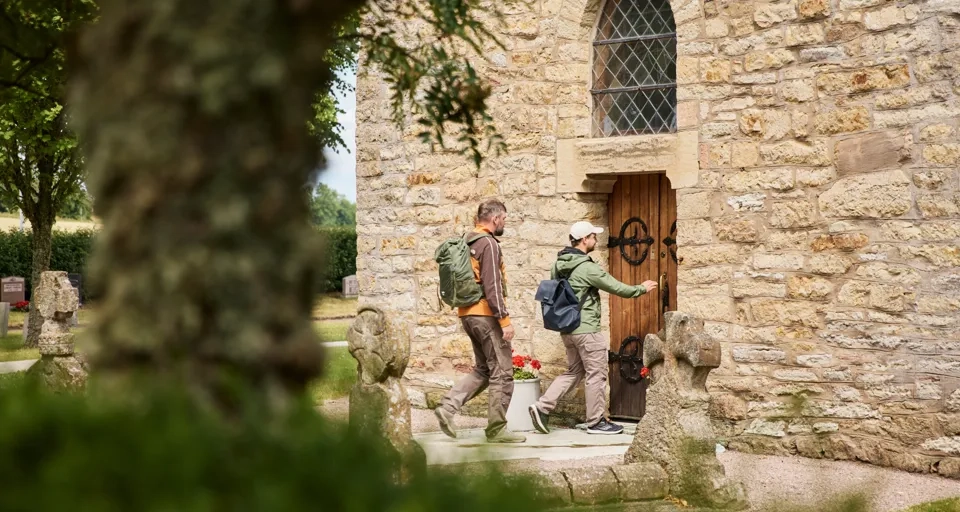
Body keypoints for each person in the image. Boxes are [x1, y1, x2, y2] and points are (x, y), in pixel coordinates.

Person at [528, 221, 657, 435]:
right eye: (593, 237)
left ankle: (542, 407)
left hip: (567, 329)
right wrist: (640, 288)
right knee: (596, 373)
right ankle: (596, 422)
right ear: (584, 239)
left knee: (575, 371)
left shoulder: (558, 264)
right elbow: (616, 287)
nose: (596, 240)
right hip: (586, 329)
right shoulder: (586, 267)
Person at [434, 198, 525, 443]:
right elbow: (492, 284)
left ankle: (447, 408)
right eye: (504, 218)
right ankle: (496, 430)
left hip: (467, 314)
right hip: (486, 315)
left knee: (484, 370)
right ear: (495, 218)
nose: (504, 223)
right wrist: (504, 321)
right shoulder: (489, 243)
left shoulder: (467, 240)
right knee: (503, 373)